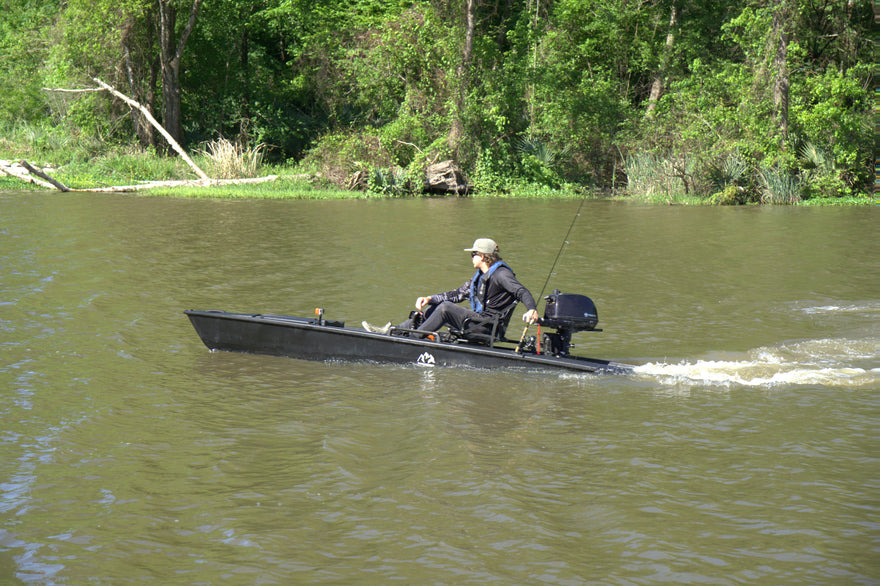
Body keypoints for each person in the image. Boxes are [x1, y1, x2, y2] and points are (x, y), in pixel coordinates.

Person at [363, 238, 540, 337]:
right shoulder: (480, 277)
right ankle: (392, 331)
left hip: (486, 327)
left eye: (473, 254)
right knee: (435, 307)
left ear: (484, 256)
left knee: (445, 309)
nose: (471, 257)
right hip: (477, 321)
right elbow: (457, 294)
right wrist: (430, 298)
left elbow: (522, 291)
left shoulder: (501, 275)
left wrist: (531, 309)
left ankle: (413, 340)